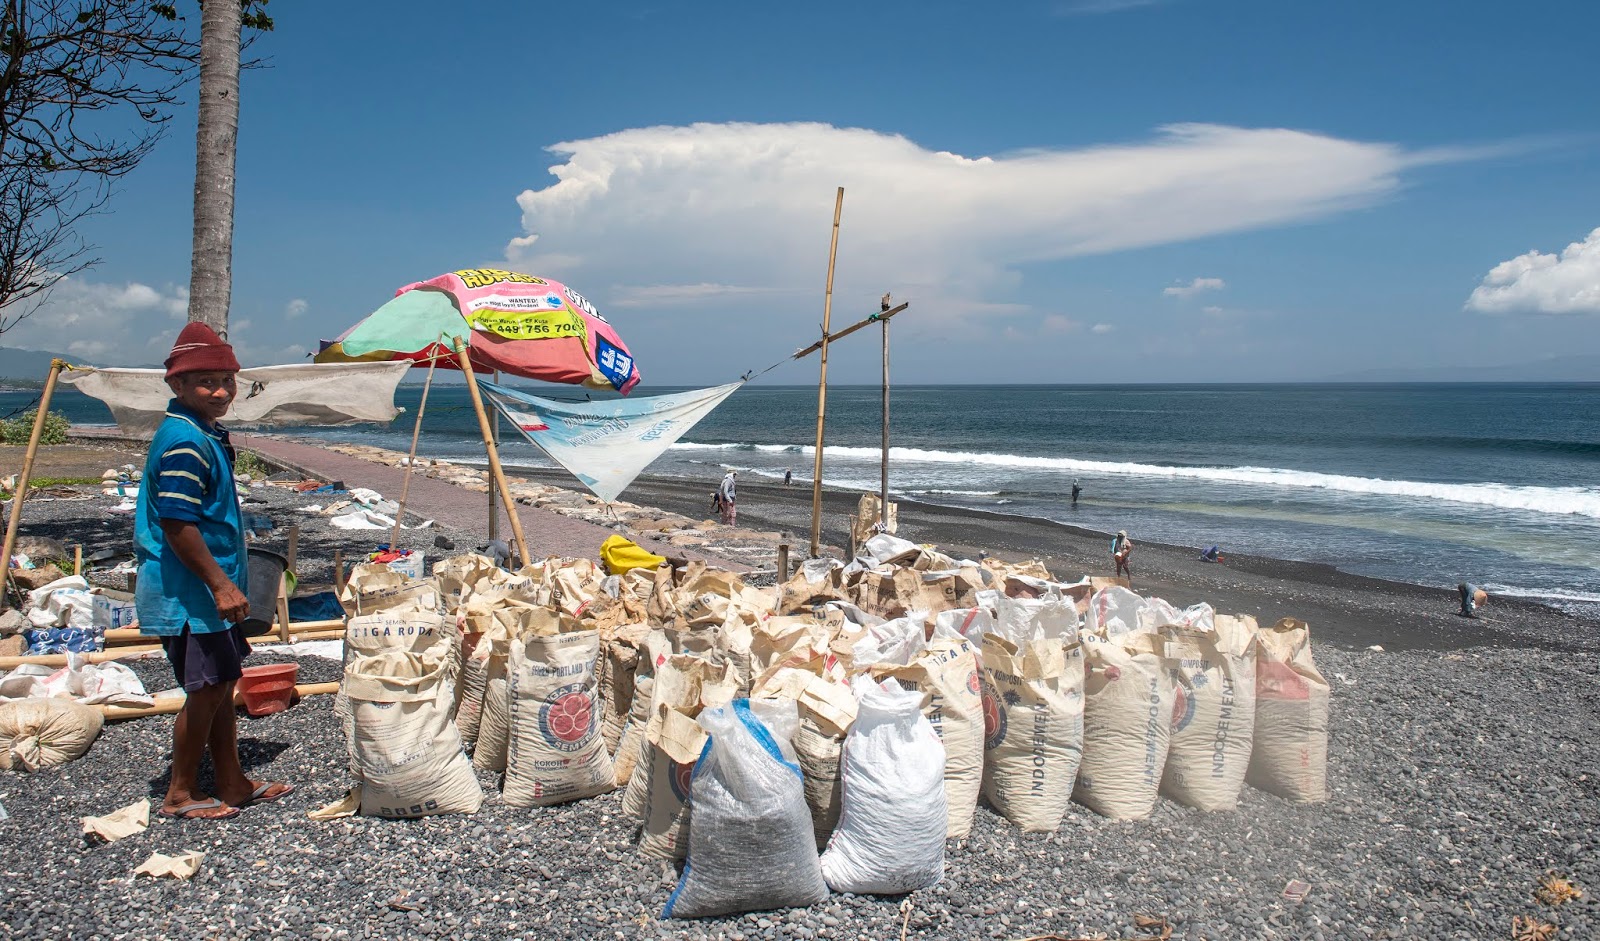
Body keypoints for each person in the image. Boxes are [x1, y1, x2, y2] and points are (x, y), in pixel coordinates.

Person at [135, 323, 293, 820]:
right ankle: (180, 793)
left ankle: (233, 781)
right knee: (205, 691)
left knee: (223, 684)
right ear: (177, 386)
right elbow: (178, 525)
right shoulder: (185, 442)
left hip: (205, 591)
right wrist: (221, 585)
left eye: (228, 379)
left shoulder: (206, 433)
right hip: (190, 594)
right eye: (206, 381)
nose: (221, 391)